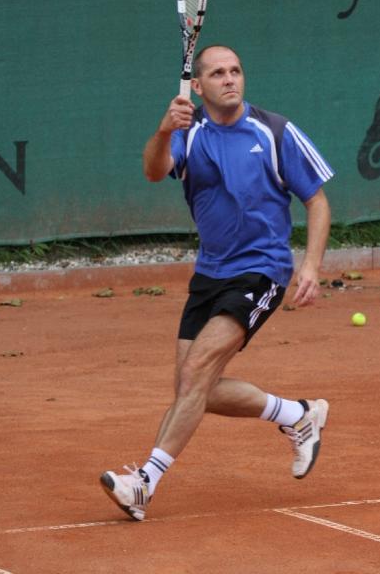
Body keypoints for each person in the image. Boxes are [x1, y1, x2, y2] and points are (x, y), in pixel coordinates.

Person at [100, 44, 334, 521]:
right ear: (198, 85)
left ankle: (145, 481)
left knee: (199, 368)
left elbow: (317, 201)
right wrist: (165, 129)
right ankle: (298, 415)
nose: (230, 79)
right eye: (218, 73)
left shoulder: (275, 131)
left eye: (236, 71)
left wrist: (310, 266)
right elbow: (153, 171)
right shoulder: (188, 134)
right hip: (210, 273)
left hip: (262, 269)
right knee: (192, 387)